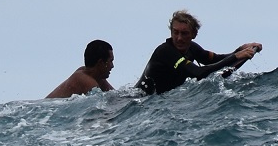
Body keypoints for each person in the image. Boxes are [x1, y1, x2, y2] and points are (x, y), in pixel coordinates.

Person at [134, 10, 262, 95]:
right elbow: (198, 73)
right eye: (175, 32)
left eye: (184, 33)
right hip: (137, 101)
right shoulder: (165, 51)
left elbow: (215, 60)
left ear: (194, 34)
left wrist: (240, 49)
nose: (179, 38)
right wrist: (236, 56)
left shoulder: (192, 48)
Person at [46, 40, 116, 99]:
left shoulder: (95, 76)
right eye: (110, 61)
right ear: (100, 62)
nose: (112, 66)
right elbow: (102, 105)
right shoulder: (84, 80)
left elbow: (115, 96)